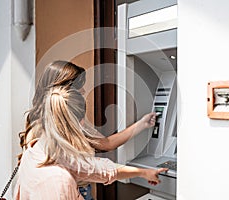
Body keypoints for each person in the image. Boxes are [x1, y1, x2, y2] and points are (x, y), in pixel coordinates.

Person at [17, 60, 167, 199]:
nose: (82, 90)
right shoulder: (41, 134)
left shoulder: (69, 121)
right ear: (60, 87)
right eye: (77, 85)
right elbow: (77, 166)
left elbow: (104, 145)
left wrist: (141, 124)